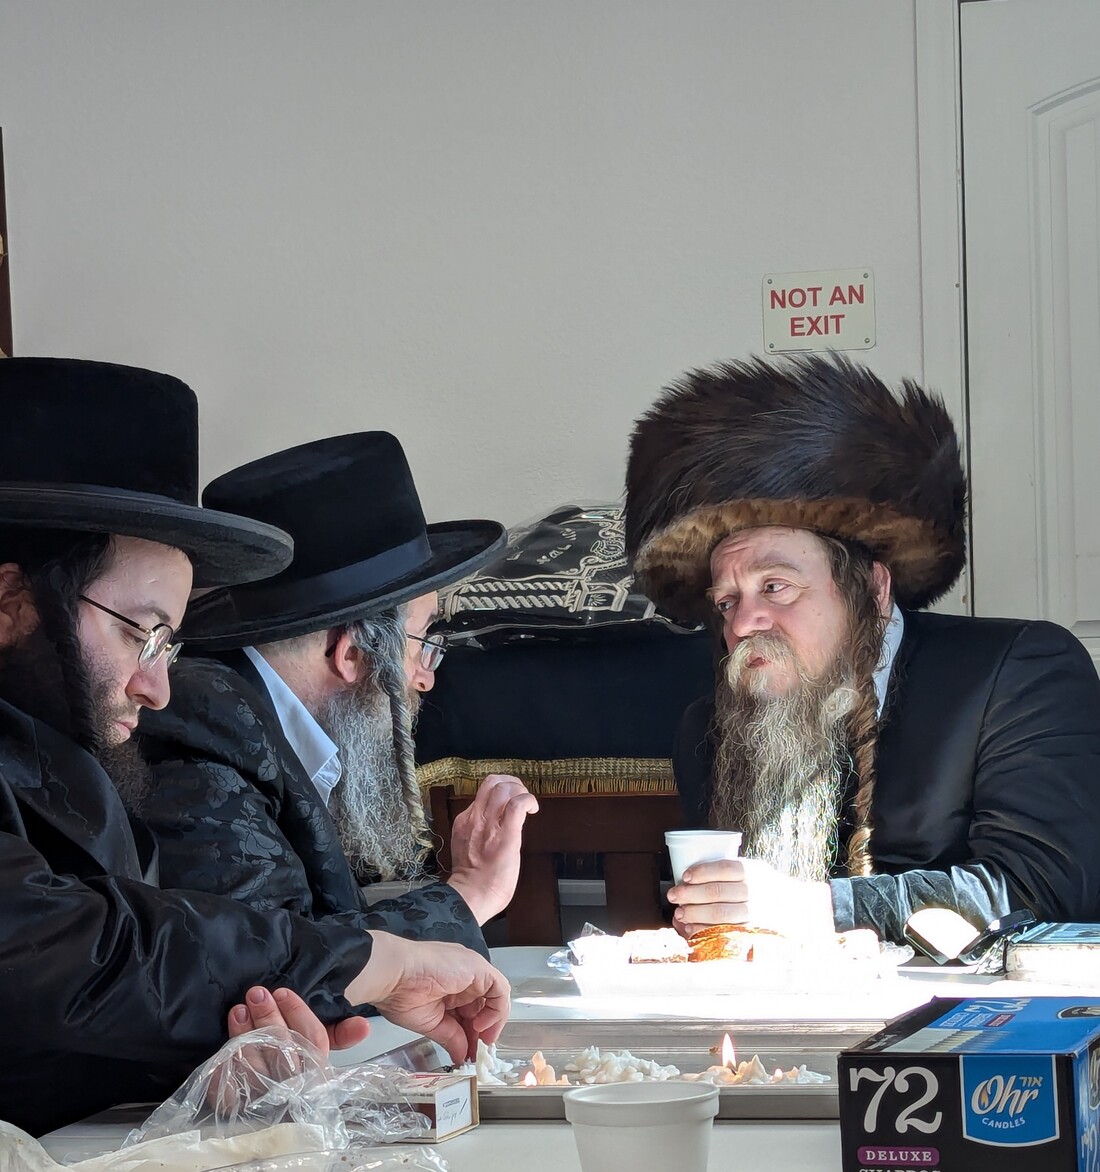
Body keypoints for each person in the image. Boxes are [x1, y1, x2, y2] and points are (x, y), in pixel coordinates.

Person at [0, 359, 509, 1136]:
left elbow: (79, 1007)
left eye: (168, 645)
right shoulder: (199, 730)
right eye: (140, 634)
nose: (157, 688)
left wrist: (209, 1059)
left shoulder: (67, 760)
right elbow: (81, 951)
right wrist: (378, 962)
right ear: (10, 601)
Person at [624, 353, 1100, 945]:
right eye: (726, 601)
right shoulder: (710, 729)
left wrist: (811, 909)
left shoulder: (1019, 673)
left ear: (873, 589)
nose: (743, 623)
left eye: (775, 586)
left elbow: (1042, 888)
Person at [132, 433, 538, 954]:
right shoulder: (201, 737)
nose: (426, 678)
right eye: (423, 643)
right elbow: (269, 964)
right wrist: (469, 892)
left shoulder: (253, 717)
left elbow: (309, 925)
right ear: (350, 654)